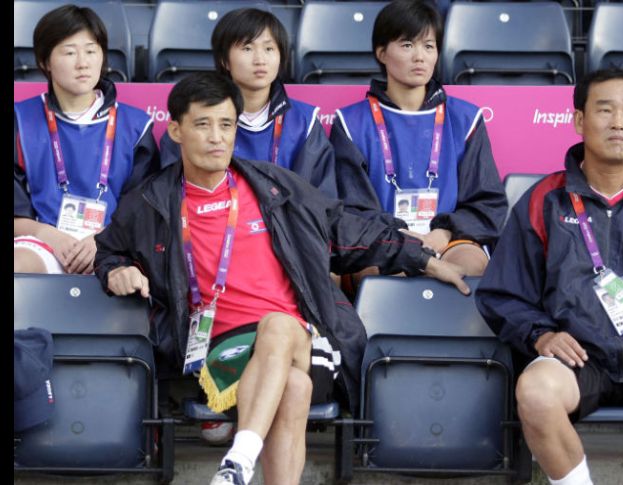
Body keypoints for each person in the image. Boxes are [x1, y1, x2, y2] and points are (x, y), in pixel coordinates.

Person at [94, 72, 469, 485]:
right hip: (221, 349)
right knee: (292, 388)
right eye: (203, 125)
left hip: (305, 340)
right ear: (176, 131)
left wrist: (424, 259)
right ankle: (243, 464)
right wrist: (117, 270)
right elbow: (109, 251)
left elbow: (347, 228)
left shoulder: (274, 188)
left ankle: (240, 457)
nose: (217, 137)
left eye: (226, 125)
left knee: (278, 325)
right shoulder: (148, 204)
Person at [476, 69, 623, 485]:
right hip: (579, 359)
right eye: (605, 110)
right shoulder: (545, 199)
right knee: (536, 391)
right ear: (579, 120)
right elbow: (502, 293)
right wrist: (541, 335)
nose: (618, 122)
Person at [331, 0, 507, 278]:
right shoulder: (350, 123)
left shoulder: (466, 119)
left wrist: (444, 231)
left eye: (428, 46)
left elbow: (487, 202)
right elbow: (352, 209)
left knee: (470, 267)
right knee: (384, 273)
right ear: (381, 53)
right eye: (407, 45)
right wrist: (400, 237)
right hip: (385, 241)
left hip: (449, 239)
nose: (420, 57)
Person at [14, 4, 159, 275]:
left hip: (113, 243)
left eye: (91, 51)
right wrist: (48, 235)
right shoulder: (20, 120)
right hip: (43, 241)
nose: (83, 63)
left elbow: (143, 211)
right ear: (45, 62)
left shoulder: (136, 126)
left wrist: (103, 239)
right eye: (69, 52)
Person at [158, 8, 336, 198]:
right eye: (247, 48)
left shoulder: (305, 122)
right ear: (224, 60)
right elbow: (171, 195)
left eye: (269, 49)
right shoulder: (194, 120)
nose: (260, 60)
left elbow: (321, 201)